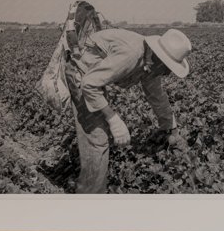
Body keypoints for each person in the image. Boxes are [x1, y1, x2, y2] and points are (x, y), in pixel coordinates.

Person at [64, 25, 193, 194]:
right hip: (81, 74)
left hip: (94, 76)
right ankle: (90, 197)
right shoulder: (132, 55)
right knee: (98, 137)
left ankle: (88, 181)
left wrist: (172, 129)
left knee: (101, 133)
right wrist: (113, 119)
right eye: (168, 68)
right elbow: (89, 84)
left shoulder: (150, 64)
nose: (168, 73)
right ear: (159, 59)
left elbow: (157, 97)